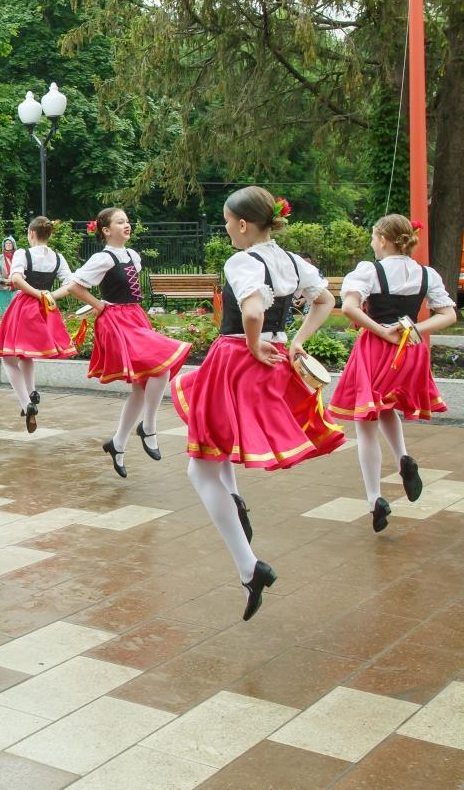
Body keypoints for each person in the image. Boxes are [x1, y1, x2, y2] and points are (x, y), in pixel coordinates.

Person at [173, 186, 345, 621]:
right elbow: (326, 300)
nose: (226, 227)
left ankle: (250, 568)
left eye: (227, 221)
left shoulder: (242, 261)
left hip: (237, 359)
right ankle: (235, 501)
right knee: (218, 441)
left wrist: (252, 344)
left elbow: (251, 312)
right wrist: (297, 341)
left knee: (200, 467)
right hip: (274, 359)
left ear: (244, 224)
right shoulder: (292, 261)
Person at [329, 214, 457, 531]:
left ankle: (374, 499)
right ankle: (402, 458)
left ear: (383, 240)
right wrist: (413, 329)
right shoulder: (426, 273)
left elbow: (349, 307)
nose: (372, 242)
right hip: (410, 350)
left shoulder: (369, 270)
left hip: (377, 349)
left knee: (365, 425)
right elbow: (448, 314)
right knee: (385, 407)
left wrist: (382, 331)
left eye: (374, 237)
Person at [52, 208, 191, 478]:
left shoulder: (132, 256)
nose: (127, 225)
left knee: (142, 386)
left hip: (135, 317)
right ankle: (148, 427)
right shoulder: (102, 258)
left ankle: (118, 443)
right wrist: (98, 305)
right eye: (120, 222)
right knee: (161, 366)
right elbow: (75, 286)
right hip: (116, 320)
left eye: (127, 221)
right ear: (106, 230)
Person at [0, 216, 76, 432]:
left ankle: (26, 403)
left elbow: (16, 279)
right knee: (26, 354)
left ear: (31, 233)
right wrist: (49, 296)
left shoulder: (23, 253)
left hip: (24, 306)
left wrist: (37, 294)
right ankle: (32, 391)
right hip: (45, 309)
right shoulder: (58, 257)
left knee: (9, 359)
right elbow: (71, 284)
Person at [0, 236, 18, 315]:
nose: (8, 244)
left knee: (15, 310)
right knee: (5, 311)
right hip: (3, 288)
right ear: (3, 245)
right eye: (6, 243)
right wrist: (4, 281)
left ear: (13, 244)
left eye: (10, 243)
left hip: (16, 287)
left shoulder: (18, 257)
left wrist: (15, 280)